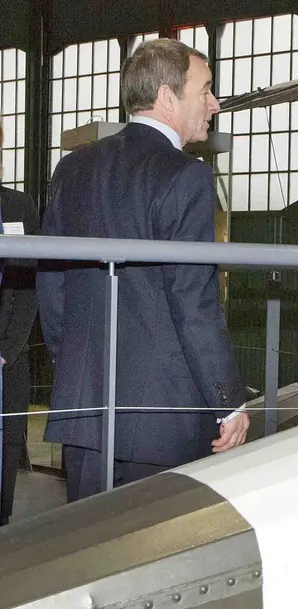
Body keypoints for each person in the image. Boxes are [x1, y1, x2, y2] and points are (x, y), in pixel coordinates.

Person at [37, 38, 249, 502]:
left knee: (89, 549)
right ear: (168, 97)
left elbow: (51, 282)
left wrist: (70, 360)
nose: (214, 104)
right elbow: (193, 301)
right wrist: (227, 401)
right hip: (163, 417)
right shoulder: (185, 174)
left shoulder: (72, 167)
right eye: (206, 89)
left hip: (85, 406)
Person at [0, 131, 38, 525]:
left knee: (6, 449)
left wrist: (7, 350)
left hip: (9, 362)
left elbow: (30, 284)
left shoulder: (18, 205)